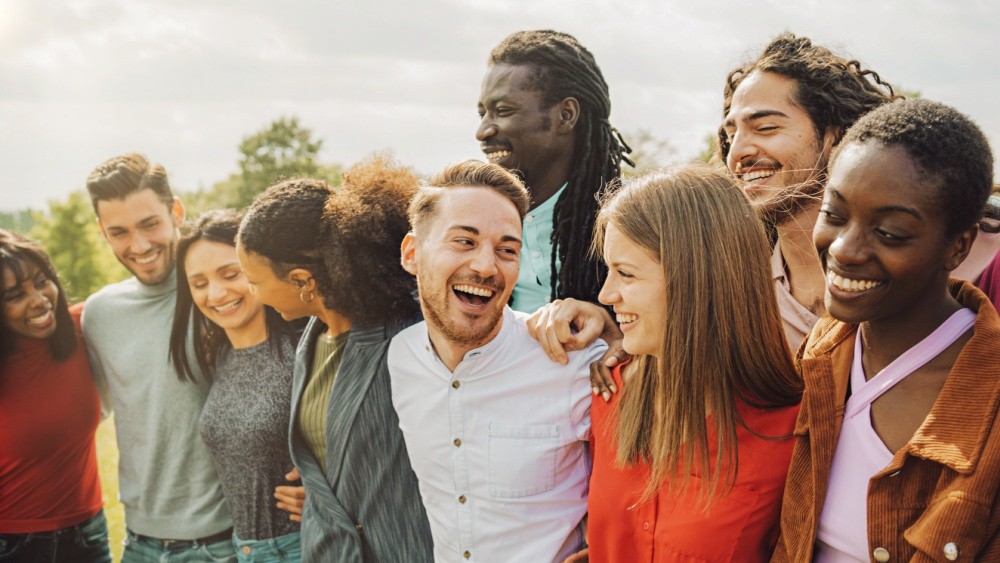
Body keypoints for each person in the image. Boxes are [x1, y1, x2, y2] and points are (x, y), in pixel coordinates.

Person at [773, 99, 1000, 560]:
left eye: (890, 233)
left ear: (958, 247)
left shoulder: (990, 402)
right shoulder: (824, 350)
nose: (845, 249)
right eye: (834, 215)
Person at [389, 160, 607, 561]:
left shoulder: (575, 362)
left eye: (507, 249)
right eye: (464, 242)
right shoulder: (398, 358)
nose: (486, 267)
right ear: (412, 253)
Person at [586, 165, 801, 562]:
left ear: (695, 279)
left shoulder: (792, 430)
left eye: (626, 274)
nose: (605, 294)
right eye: (608, 271)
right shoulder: (607, 392)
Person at [236, 155, 433, 562]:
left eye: (255, 281)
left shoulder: (409, 335)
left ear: (303, 281)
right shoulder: (313, 338)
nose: (252, 293)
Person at [81, 153, 236, 562]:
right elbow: (85, 414)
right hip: (139, 544)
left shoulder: (222, 299)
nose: (140, 245)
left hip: (225, 543)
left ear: (176, 211)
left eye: (150, 224)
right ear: (103, 232)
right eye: (119, 232)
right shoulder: (99, 315)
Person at [169, 209, 303, 562]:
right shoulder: (219, 357)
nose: (216, 293)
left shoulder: (304, 349)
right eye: (199, 284)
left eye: (231, 274)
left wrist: (326, 496)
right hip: (242, 550)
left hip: (300, 547)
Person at [477, 29, 631, 313]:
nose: (482, 131)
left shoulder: (635, 224)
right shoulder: (471, 226)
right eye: (482, 113)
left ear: (566, 115)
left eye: (503, 110)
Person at [0, 229, 111, 563]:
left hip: (89, 534)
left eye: (41, 280)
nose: (38, 299)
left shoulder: (82, 326)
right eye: (15, 295)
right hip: (14, 544)